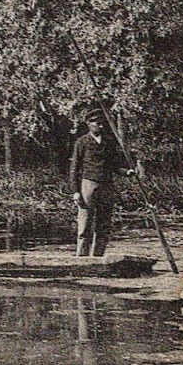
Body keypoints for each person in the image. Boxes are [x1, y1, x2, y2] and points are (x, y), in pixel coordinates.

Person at [69, 109, 132, 257]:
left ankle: (98, 258)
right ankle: (82, 260)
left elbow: (114, 165)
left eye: (102, 123)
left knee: (104, 225)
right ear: (89, 124)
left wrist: (126, 172)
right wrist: (76, 191)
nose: (101, 126)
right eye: (97, 123)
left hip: (107, 185)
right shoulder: (82, 142)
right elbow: (74, 169)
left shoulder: (109, 142)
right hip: (88, 185)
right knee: (85, 225)